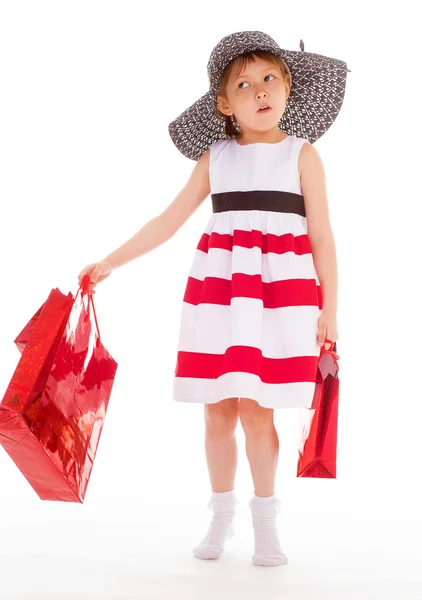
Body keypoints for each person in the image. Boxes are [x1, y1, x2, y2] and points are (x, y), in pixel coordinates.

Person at [78, 31, 349, 567]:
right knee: (218, 413)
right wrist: (112, 259)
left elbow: (321, 234)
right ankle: (221, 515)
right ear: (225, 103)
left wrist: (331, 306)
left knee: (258, 413)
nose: (260, 91)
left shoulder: (302, 154)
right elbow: (169, 220)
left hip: (280, 300)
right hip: (220, 297)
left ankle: (265, 521)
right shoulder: (216, 157)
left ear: (288, 85)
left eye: (269, 77)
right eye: (243, 85)